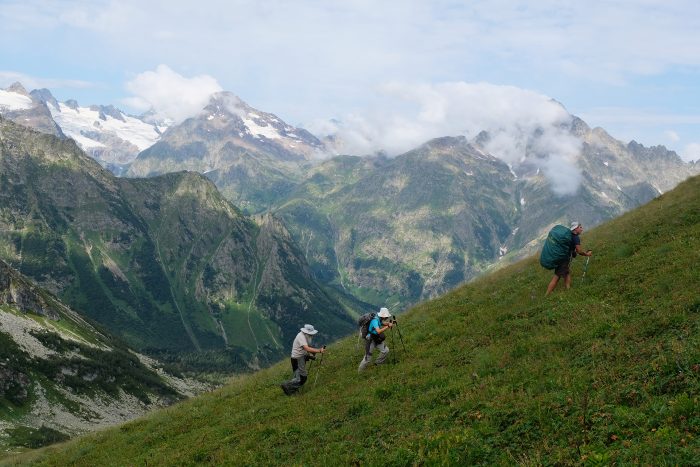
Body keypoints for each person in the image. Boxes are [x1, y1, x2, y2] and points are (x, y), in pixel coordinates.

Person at [545, 221, 593, 296]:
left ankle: (568, 289)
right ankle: (547, 295)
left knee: (567, 273)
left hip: (560, 257)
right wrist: (587, 254)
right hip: (564, 259)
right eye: (580, 227)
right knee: (557, 277)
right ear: (575, 228)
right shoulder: (576, 237)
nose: (582, 229)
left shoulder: (568, 235)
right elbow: (579, 251)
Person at [281, 324, 326, 395]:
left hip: (298, 357)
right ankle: (287, 386)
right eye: (311, 334)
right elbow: (306, 348)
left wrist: (312, 352)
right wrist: (319, 350)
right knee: (302, 378)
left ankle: (292, 390)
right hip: (298, 359)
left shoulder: (304, 336)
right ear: (307, 333)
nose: (312, 336)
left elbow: (305, 348)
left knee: (298, 377)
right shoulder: (301, 337)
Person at [358, 307, 395, 372]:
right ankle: (360, 372)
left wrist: (389, 323)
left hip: (376, 338)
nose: (387, 318)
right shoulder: (374, 320)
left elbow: (381, 323)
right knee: (368, 358)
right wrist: (388, 326)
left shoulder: (378, 318)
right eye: (386, 317)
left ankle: (377, 364)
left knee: (385, 351)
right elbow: (378, 331)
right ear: (383, 316)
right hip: (371, 340)